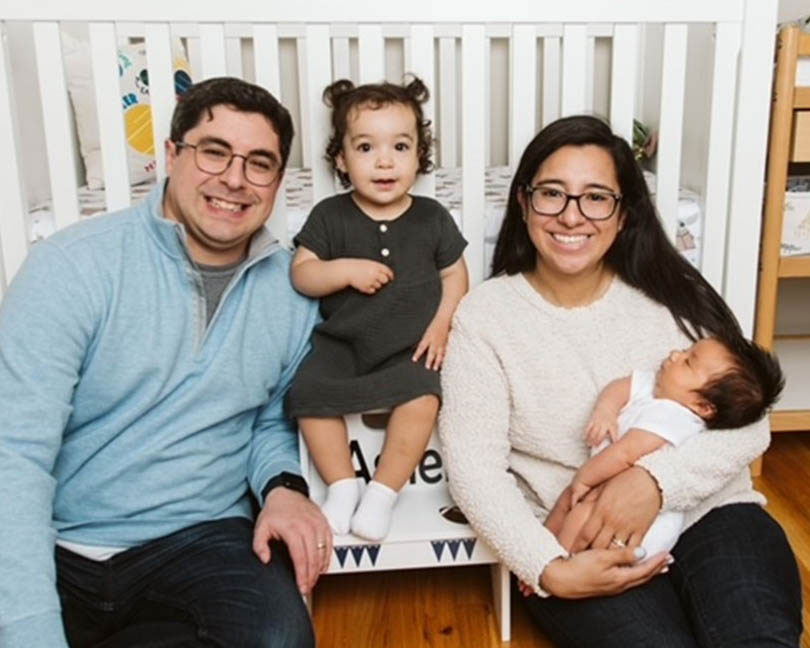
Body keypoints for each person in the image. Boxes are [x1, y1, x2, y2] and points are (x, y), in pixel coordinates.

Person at [438, 115, 802, 646]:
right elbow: (473, 467)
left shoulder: (673, 294)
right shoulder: (486, 316)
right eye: (552, 194)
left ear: (623, 213)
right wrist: (548, 568)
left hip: (711, 513)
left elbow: (752, 425)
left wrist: (653, 483)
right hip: (580, 540)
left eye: (596, 198)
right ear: (523, 202)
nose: (571, 216)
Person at [0, 77, 330, 648]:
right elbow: (15, 453)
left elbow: (270, 420)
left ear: (277, 183)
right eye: (214, 152)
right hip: (60, 540)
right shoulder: (70, 267)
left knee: (279, 639)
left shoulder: (293, 289)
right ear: (171, 155)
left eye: (259, 163)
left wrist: (282, 488)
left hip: (199, 537)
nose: (234, 178)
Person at [286, 77, 468, 541]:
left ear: (418, 157)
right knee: (308, 394)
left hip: (408, 348)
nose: (385, 160)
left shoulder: (432, 216)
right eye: (366, 147)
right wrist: (342, 270)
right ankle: (342, 486)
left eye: (400, 146)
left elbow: (455, 275)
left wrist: (443, 324)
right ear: (342, 160)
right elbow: (302, 273)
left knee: (424, 397)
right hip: (343, 346)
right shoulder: (331, 215)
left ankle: (383, 493)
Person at [546, 336, 784, 554]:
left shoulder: (674, 417)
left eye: (688, 362)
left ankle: (560, 560)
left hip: (647, 522)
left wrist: (584, 479)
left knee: (579, 514)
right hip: (607, 485)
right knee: (566, 504)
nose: (674, 354)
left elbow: (625, 454)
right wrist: (606, 410)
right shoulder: (655, 387)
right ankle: (543, 548)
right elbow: (620, 387)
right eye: (685, 351)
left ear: (703, 407)